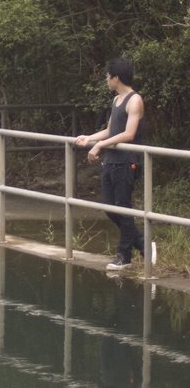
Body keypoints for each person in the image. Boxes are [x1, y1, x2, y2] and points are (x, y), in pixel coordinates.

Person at [74, 57, 156, 271]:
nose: (106, 80)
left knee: (123, 208)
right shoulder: (116, 100)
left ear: (116, 78)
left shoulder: (134, 100)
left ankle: (124, 255)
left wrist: (99, 145)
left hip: (127, 162)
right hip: (111, 161)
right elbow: (111, 130)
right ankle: (143, 244)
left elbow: (128, 134)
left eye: (108, 77)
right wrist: (89, 138)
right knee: (111, 209)